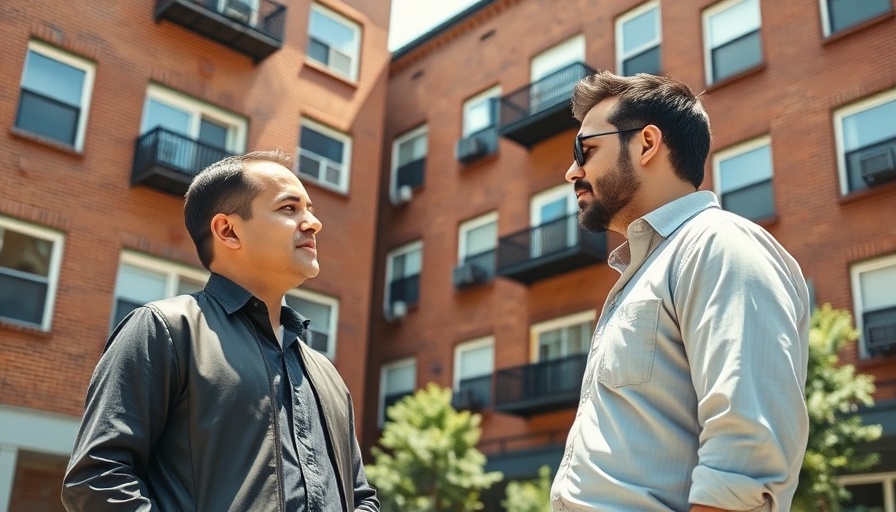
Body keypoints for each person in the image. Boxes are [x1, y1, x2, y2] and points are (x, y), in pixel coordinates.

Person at [62, 150, 379, 512]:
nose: (312, 223)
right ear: (228, 231)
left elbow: (362, 498)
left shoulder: (327, 374)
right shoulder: (165, 330)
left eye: (309, 208)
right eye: (289, 209)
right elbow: (98, 479)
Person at [550, 71, 810, 512]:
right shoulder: (648, 270)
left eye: (586, 149)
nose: (571, 170)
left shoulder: (718, 245)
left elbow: (744, 459)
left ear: (647, 143)